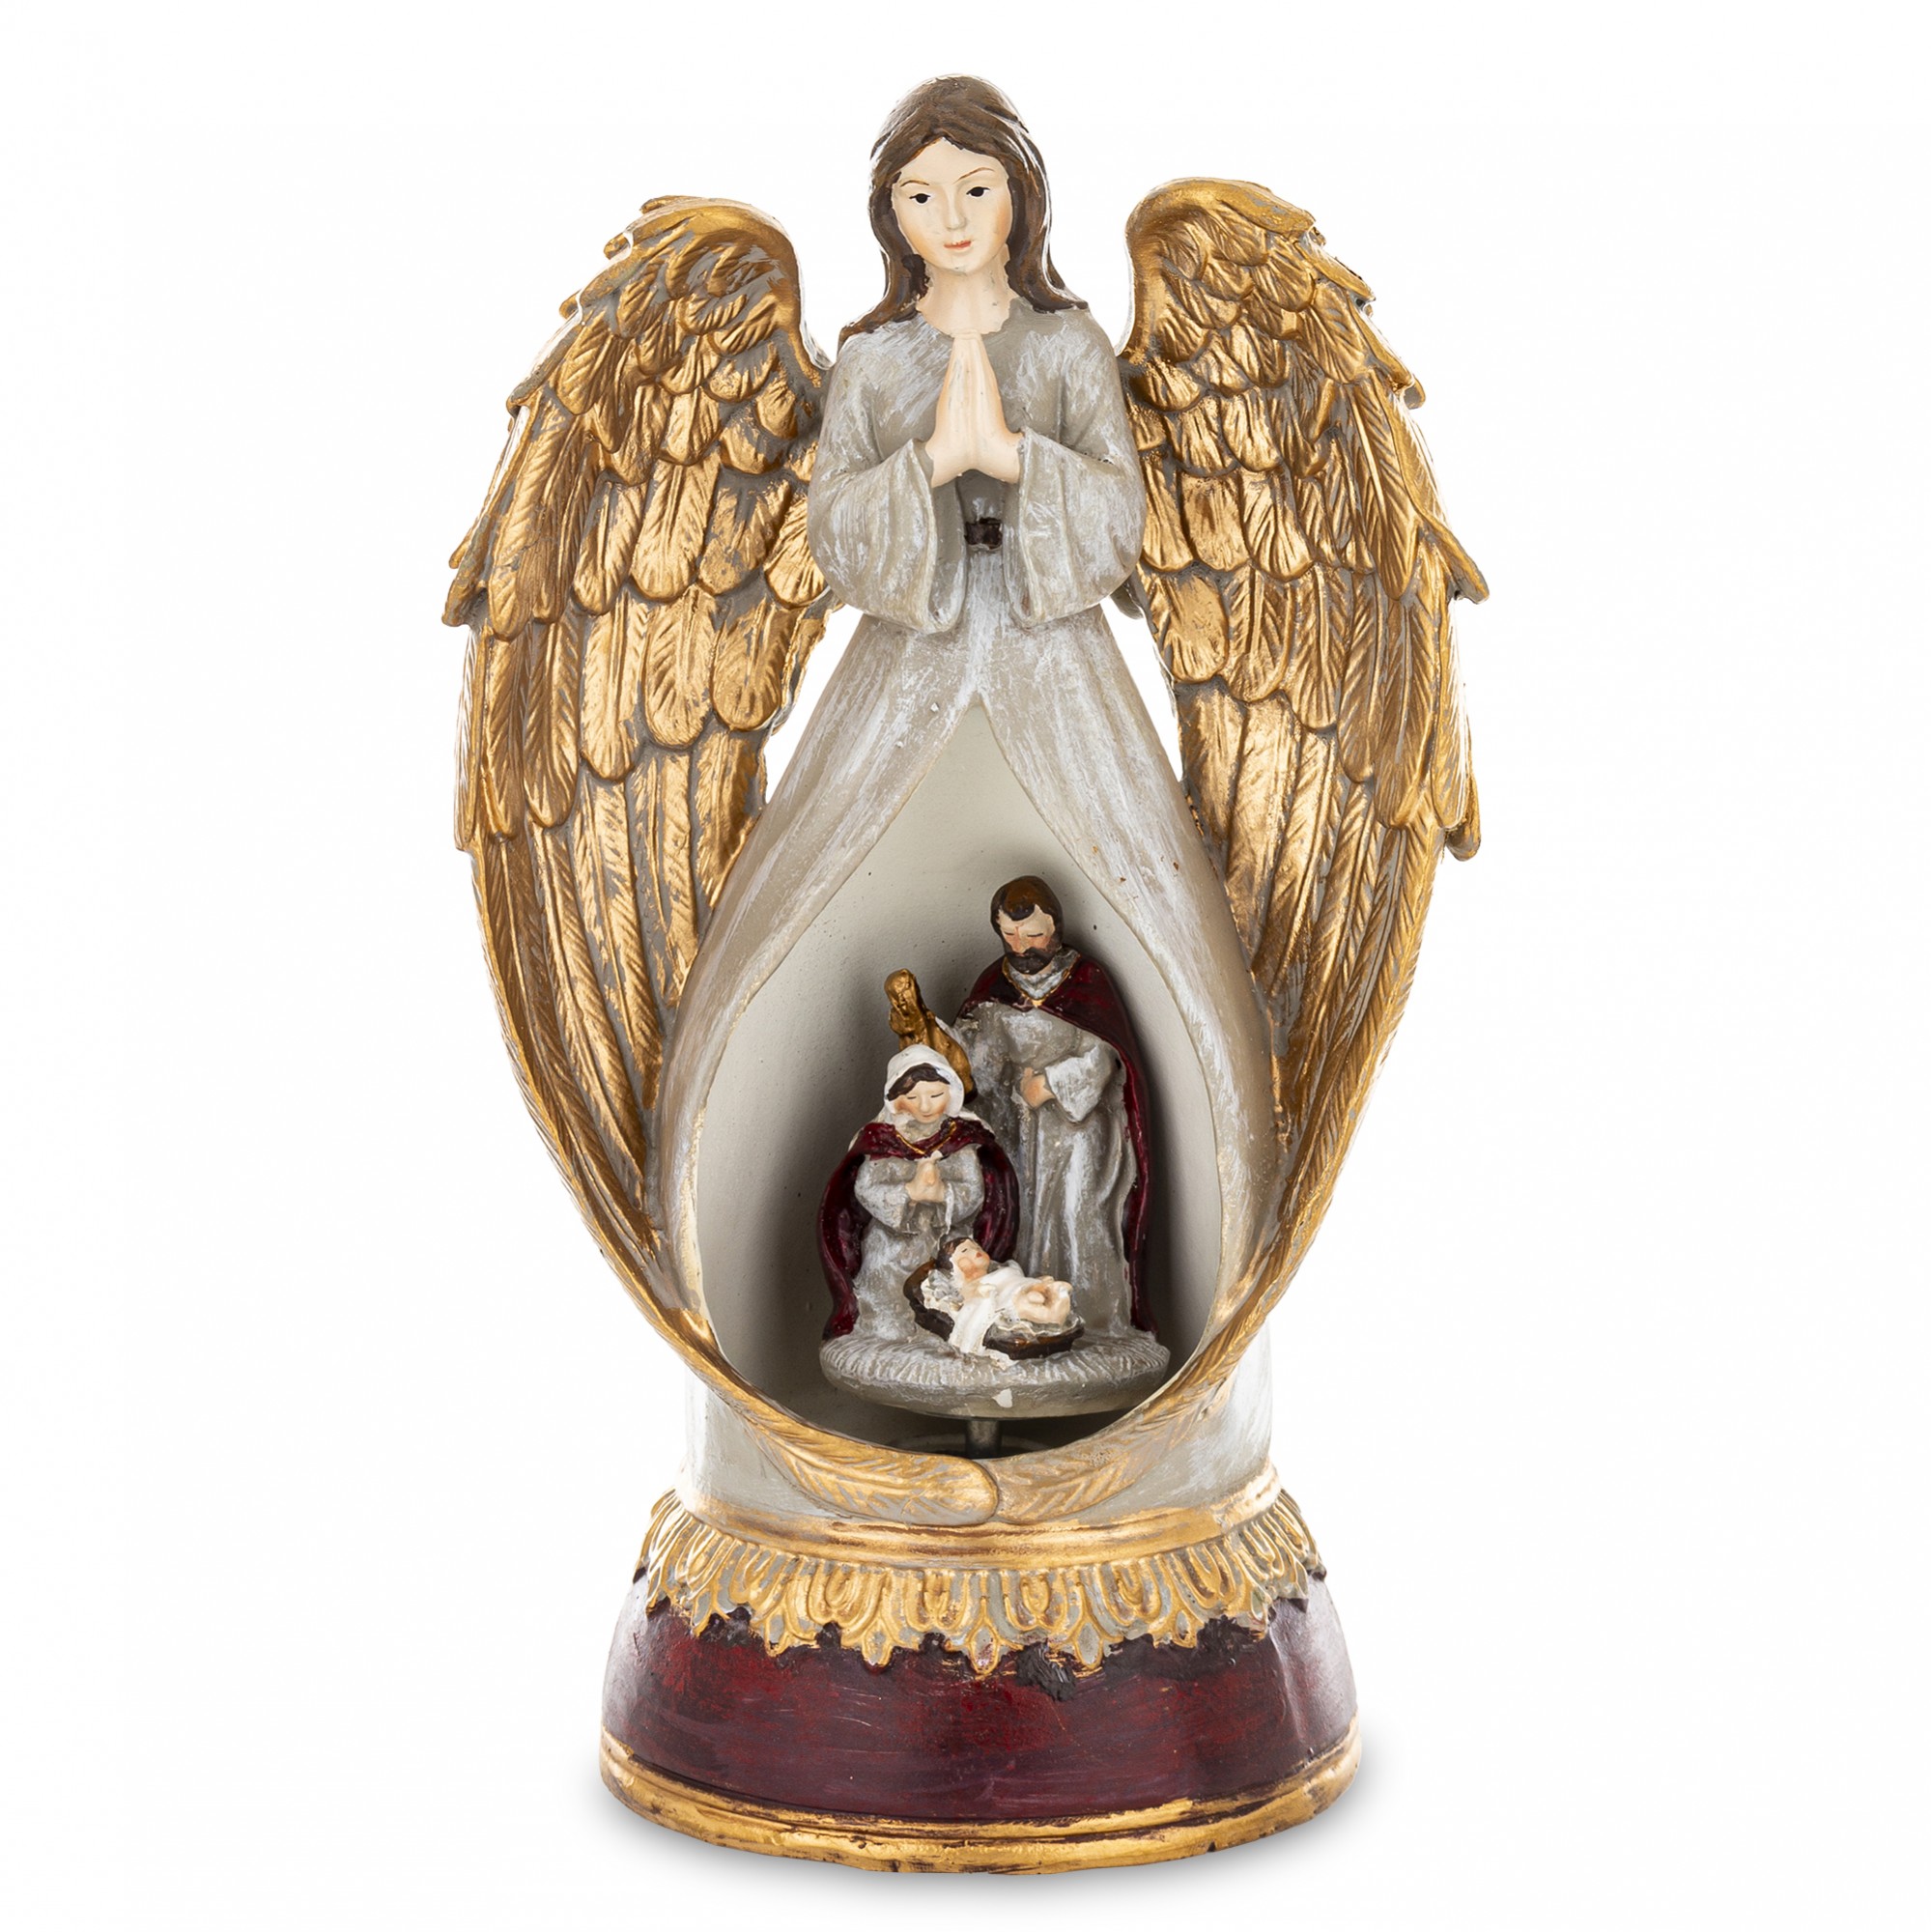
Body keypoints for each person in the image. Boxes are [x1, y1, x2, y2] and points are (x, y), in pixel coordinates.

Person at [955, 876, 1152, 1336]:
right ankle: (1031, 1311)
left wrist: (1050, 1083)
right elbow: (979, 1059)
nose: (1021, 946)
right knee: (1025, 1212)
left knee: (1079, 1212)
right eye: (1009, 934)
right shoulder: (995, 984)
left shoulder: (1086, 980)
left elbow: (1103, 1054)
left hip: (1078, 1124)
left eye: (1032, 934)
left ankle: (1096, 1320)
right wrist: (956, 1058)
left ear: (1055, 927)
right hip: (1020, 1124)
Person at [817, 1048, 1016, 1342]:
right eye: (912, 1097)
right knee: (886, 1278)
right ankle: (889, 1328)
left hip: (947, 1239)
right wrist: (910, 1192)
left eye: (935, 1095)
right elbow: (866, 1188)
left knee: (954, 1283)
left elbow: (975, 1190)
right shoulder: (882, 1140)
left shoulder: (962, 1139)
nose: (925, 1106)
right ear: (895, 1099)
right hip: (894, 1240)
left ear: (951, 1093)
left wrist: (942, 1194)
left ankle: (952, 1330)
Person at [921, 1235, 1074, 1357]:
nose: (976, 1250)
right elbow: (971, 1303)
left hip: (1022, 1285)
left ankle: (1049, 1294)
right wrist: (983, 1294)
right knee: (1026, 1302)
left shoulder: (1001, 1269)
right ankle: (1052, 1305)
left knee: (1037, 1289)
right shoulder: (969, 1286)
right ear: (955, 1267)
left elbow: (1015, 1277)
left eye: (977, 1247)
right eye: (966, 1251)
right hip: (1012, 1297)